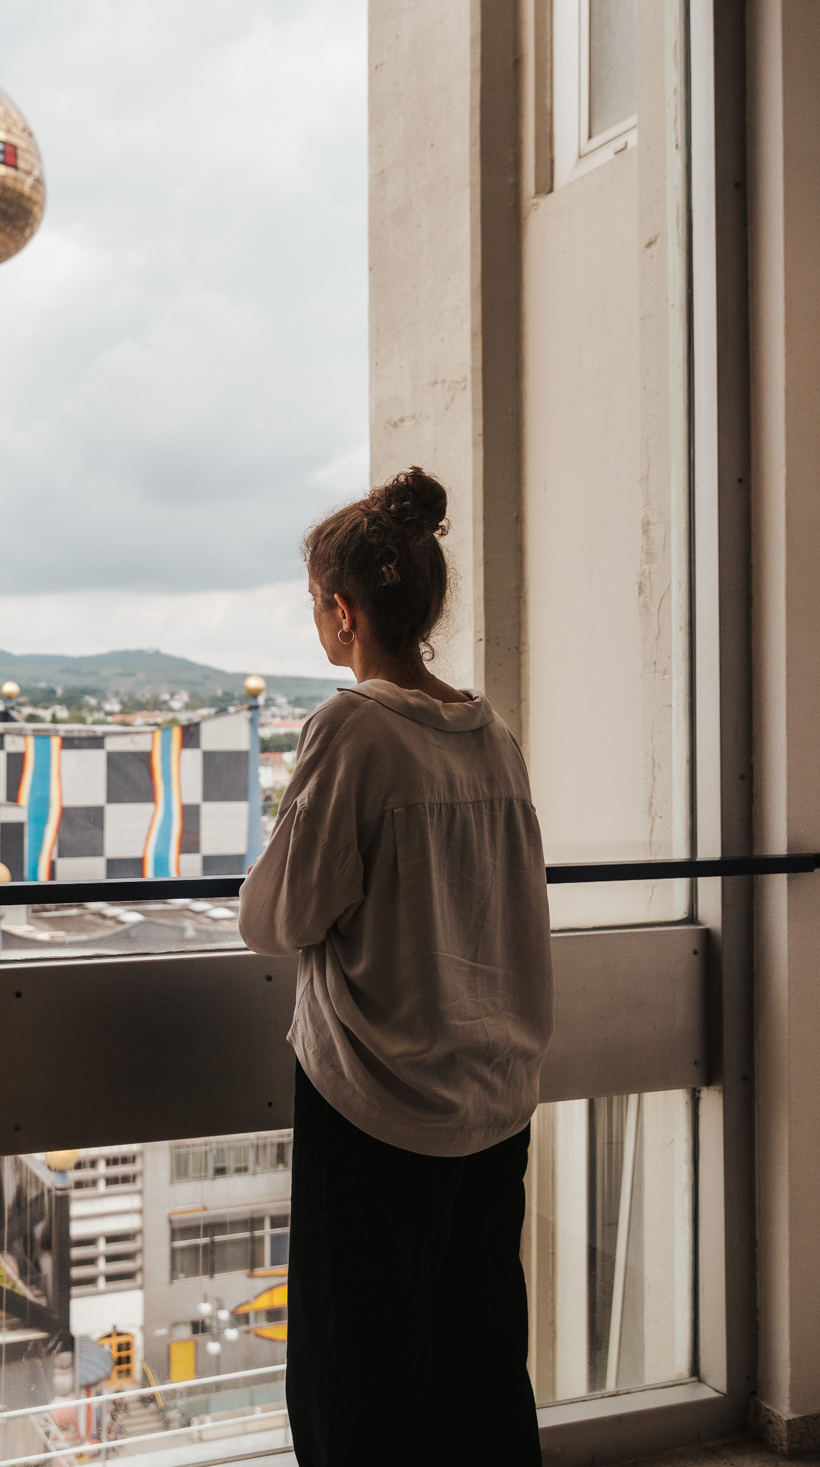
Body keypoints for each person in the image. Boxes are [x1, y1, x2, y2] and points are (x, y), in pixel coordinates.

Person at [238, 466, 553, 1467]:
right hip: (494, 1095)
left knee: (361, 1379)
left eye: (314, 604)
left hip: (377, 1104)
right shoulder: (491, 734)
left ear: (342, 611)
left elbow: (277, 918)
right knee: (479, 1360)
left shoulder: (354, 728)